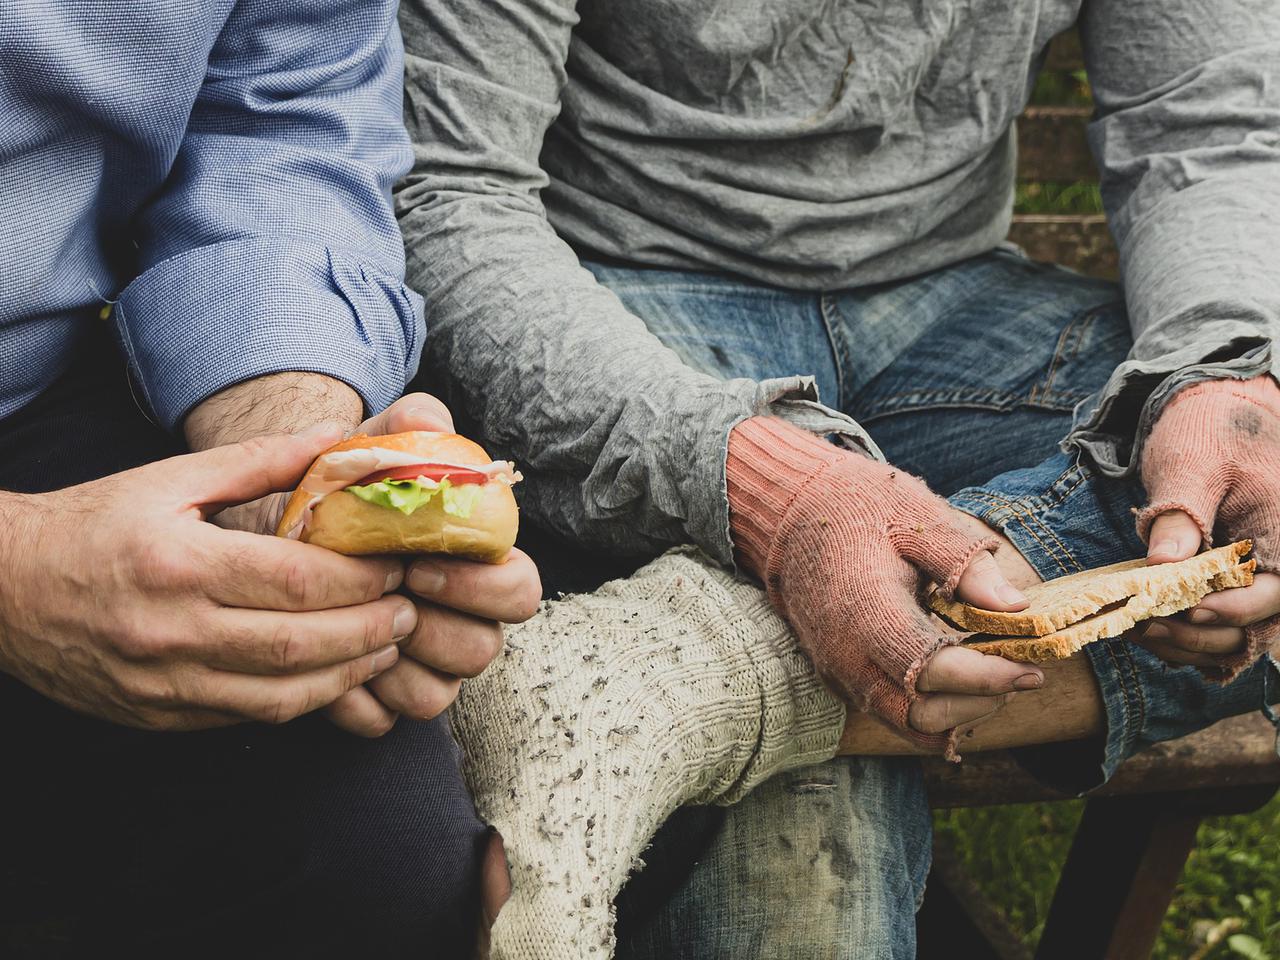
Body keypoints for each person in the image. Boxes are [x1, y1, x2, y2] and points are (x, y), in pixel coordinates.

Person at [394, 0, 1280, 955]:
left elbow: (1205, 115)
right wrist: (770, 489)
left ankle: (667, 677)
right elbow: (449, 187)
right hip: (615, 291)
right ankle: (740, 678)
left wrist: (1227, 378)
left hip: (960, 299)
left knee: (1264, 506)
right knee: (813, 866)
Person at [0, 3, 540, 955]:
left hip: (32, 385)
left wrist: (291, 477)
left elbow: (278, 111)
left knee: (381, 867)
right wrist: (15, 567)